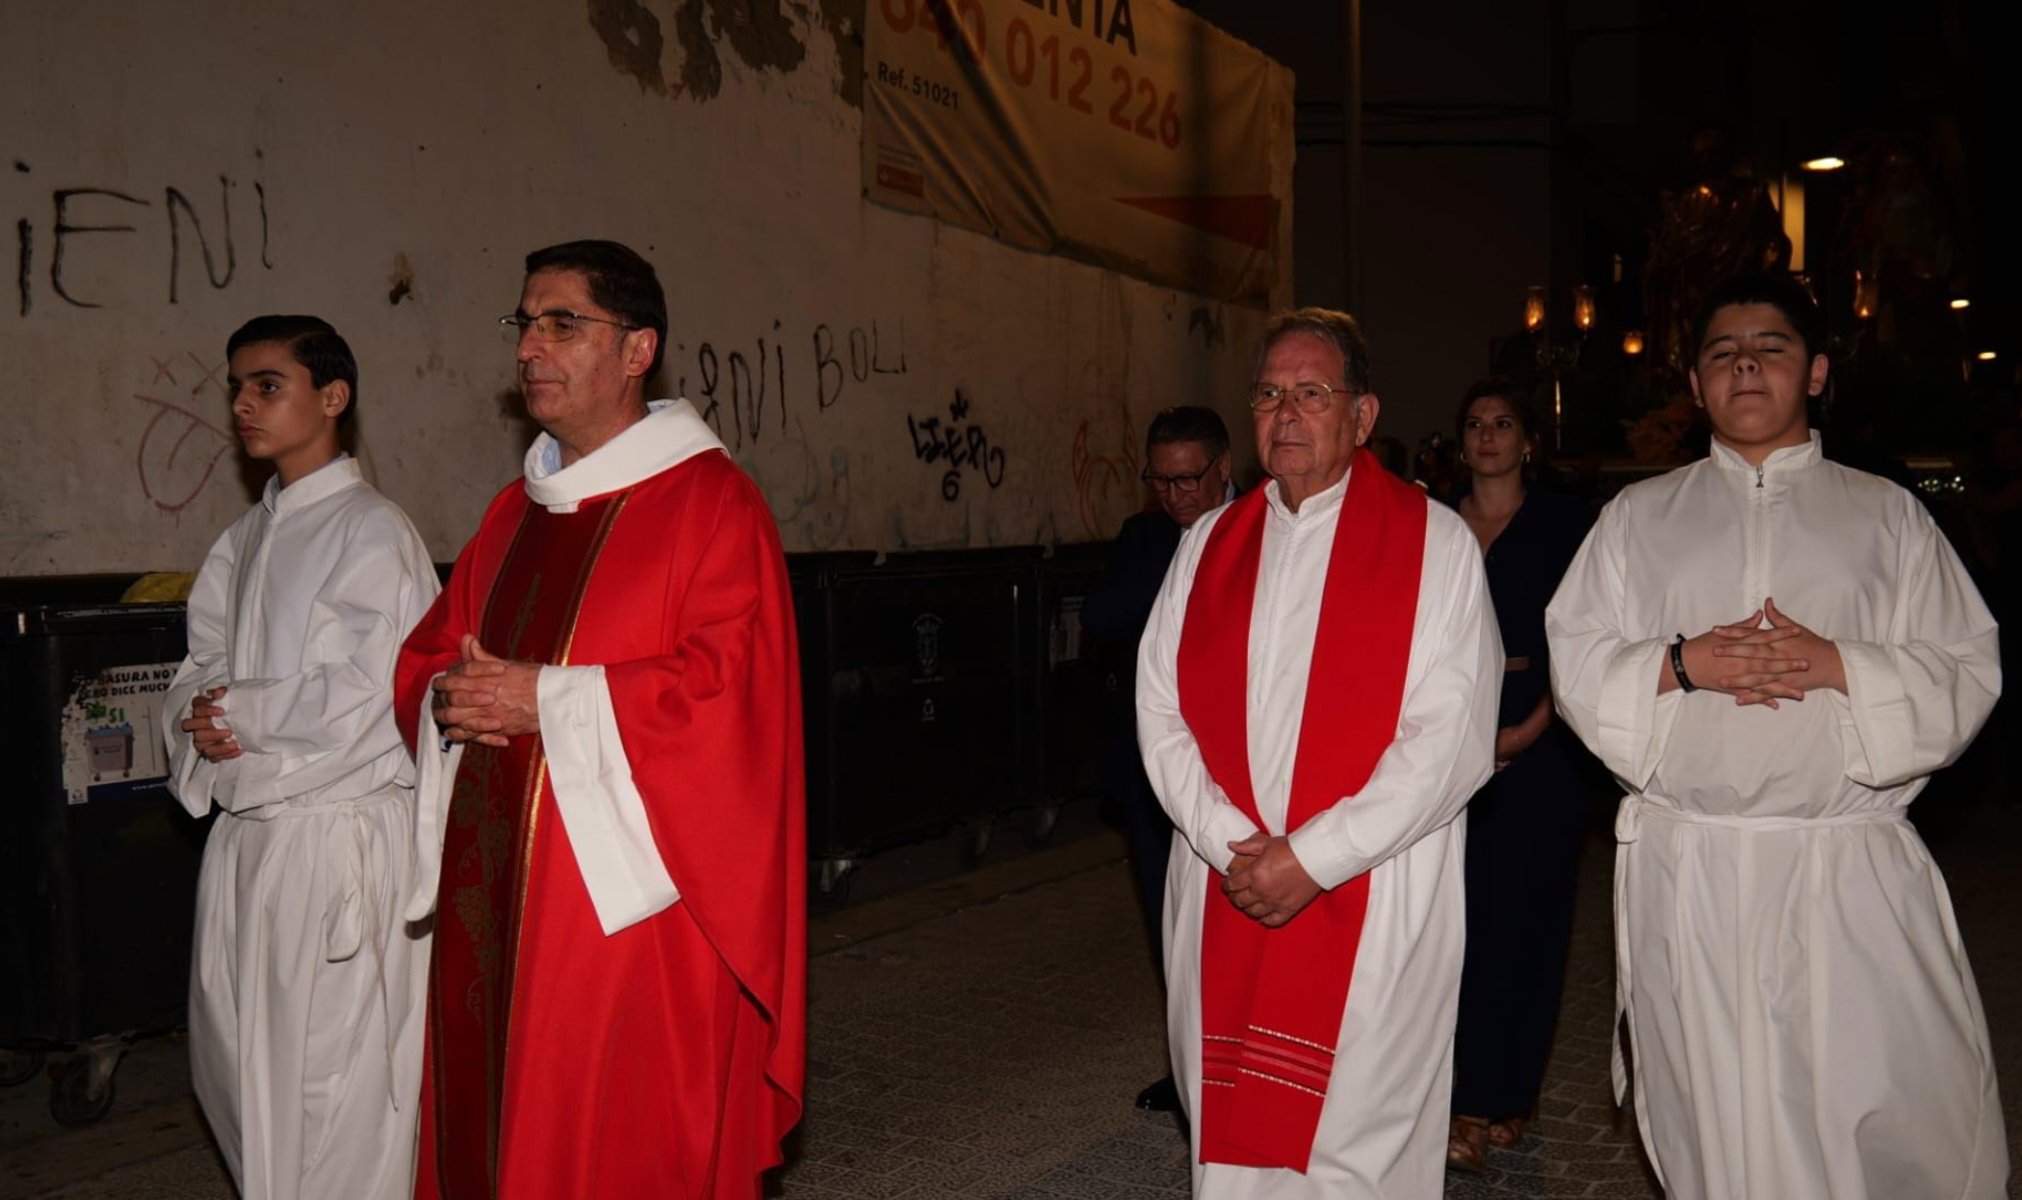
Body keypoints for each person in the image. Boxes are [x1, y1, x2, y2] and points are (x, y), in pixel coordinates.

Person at [1546, 274, 2009, 1199]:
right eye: (1722, 351)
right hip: (1696, 872)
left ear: (1818, 371)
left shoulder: (1889, 518)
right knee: (1717, 1120)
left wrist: (1840, 664)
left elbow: (1968, 668)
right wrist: (1684, 666)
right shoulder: (1639, 517)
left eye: (1771, 347)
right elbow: (1577, 658)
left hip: (1847, 868)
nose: (1745, 364)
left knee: (1889, 1101)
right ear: (1694, 383)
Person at [395, 240, 805, 1199]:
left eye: (562, 323)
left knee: (607, 1135)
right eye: (524, 323)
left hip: (629, 907)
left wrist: (549, 695)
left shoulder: (713, 504)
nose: (531, 348)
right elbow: (429, 655)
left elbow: (730, 691)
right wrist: (446, 696)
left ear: (637, 350)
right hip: (491, 887)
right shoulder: (511, 513)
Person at [1136, 307, 1502, 1197]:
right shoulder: (1208, 546)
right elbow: (1159, 706)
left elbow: (1448, 739)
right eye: (1268, 394)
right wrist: (1234, 845)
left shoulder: (1434, 544)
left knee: (1355, 1144)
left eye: (1311, 393)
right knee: (1229, 1141)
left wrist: (1315, 857)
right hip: (1228, 882)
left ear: (1362, 416)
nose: (1286, 414)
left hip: (1372, 893)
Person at [160, 315, 438, 1200]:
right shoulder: (242, 541)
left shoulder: (372, 531)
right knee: (237, 1068)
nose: (244, 404)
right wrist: (199, 714)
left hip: (333, 838)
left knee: (333, 1084)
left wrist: (238, 711)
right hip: (249, 841)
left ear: (332, 397)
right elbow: (199, 666)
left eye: (267, 385)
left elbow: (374, 690)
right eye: (236, 387)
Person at [1440, 379, 1591, 1172]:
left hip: (1544, 741)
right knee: (1453, 928)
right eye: (1475, 424)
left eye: (1503, 422)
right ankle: (1459, 1099)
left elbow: (1590, 638)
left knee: (1526, 923)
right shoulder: (1433, 524)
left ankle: (1508, 1091)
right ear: (1459, 442)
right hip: (1446, 746)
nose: (1488, 435)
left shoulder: (1569, 524)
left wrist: (1527, 731)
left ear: (1529, 439)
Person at [1081, 405, 1234, 1116]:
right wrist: (1182, 578)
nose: (1176, 496)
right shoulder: (1145, 538)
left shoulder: (1262, 529)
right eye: (1161, 481)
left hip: (1237, 773)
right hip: (1151, 775)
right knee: (1169, 925)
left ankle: (1242, 1061)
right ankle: (1187, 1066)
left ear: (1224, 468)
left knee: (1236, 924)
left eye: (1190, 480)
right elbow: (1100, 618)